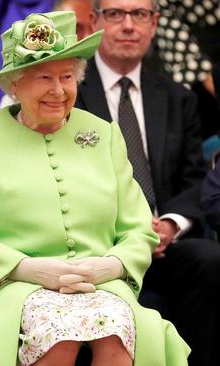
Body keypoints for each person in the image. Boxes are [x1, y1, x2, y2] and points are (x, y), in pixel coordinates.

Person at [0, 10, 190, 366]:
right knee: (59, 337)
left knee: (116, 333)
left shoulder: (104, 134)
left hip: (101, 286)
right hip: (17, 288)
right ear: (14, 84)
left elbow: (139, 229)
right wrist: (30, 269)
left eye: (67, 77)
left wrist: (109, 266)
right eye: (44, 77)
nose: (58, 91)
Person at [75, 0, 220, 364]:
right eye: (115, 14)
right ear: (94, 22)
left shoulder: (176, 97)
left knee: (211, 259)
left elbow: (195, 181)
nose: (128, 25)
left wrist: (169, 226)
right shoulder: (69, 93)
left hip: (162, 245)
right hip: (96, 244)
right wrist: (128, 231)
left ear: (154, 24)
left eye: (139, 14)